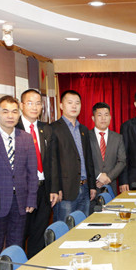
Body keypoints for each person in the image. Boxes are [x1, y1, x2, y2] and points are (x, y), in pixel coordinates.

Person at [0, 96, 38, 258]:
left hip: (20, 202)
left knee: (16, 247)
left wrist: (31, 199)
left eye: (14, 112)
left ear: (19, 114)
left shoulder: (26, 138)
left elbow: (32, 171)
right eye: (5, 111)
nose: (10, 116)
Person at [16, 88, 55, 258]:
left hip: (44, 190)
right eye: (30, 103)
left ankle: (35, 269)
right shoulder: (14, 128)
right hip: (23, 192)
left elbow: (52, 161)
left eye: (38, 103)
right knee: (19, 236)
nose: (34, 107)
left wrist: (54, 188)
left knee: (39, 236)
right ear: (21, 105)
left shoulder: (46, 129)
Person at [50, 90, 96, 221]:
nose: (74, 106)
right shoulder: (53, 128)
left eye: (77, 103)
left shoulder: (83, 129)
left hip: (85, 187)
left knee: (82, 226)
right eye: (70, 102)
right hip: (65, 190)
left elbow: (88, 160)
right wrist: (56, 188)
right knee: (65, 228)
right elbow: (53, 162)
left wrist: (92, 185)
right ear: (61, 105)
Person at [89, 102, 126, 196]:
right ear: (93, 118)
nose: (103, 118)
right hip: (91, 187)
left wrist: (108, 178)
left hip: (111, 187)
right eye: (99, 115)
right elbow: (84, 160)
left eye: (106, 115)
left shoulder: (118, 138)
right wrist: (98, 175)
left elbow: (122, 161)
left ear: (110, 117)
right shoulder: (86, 137)